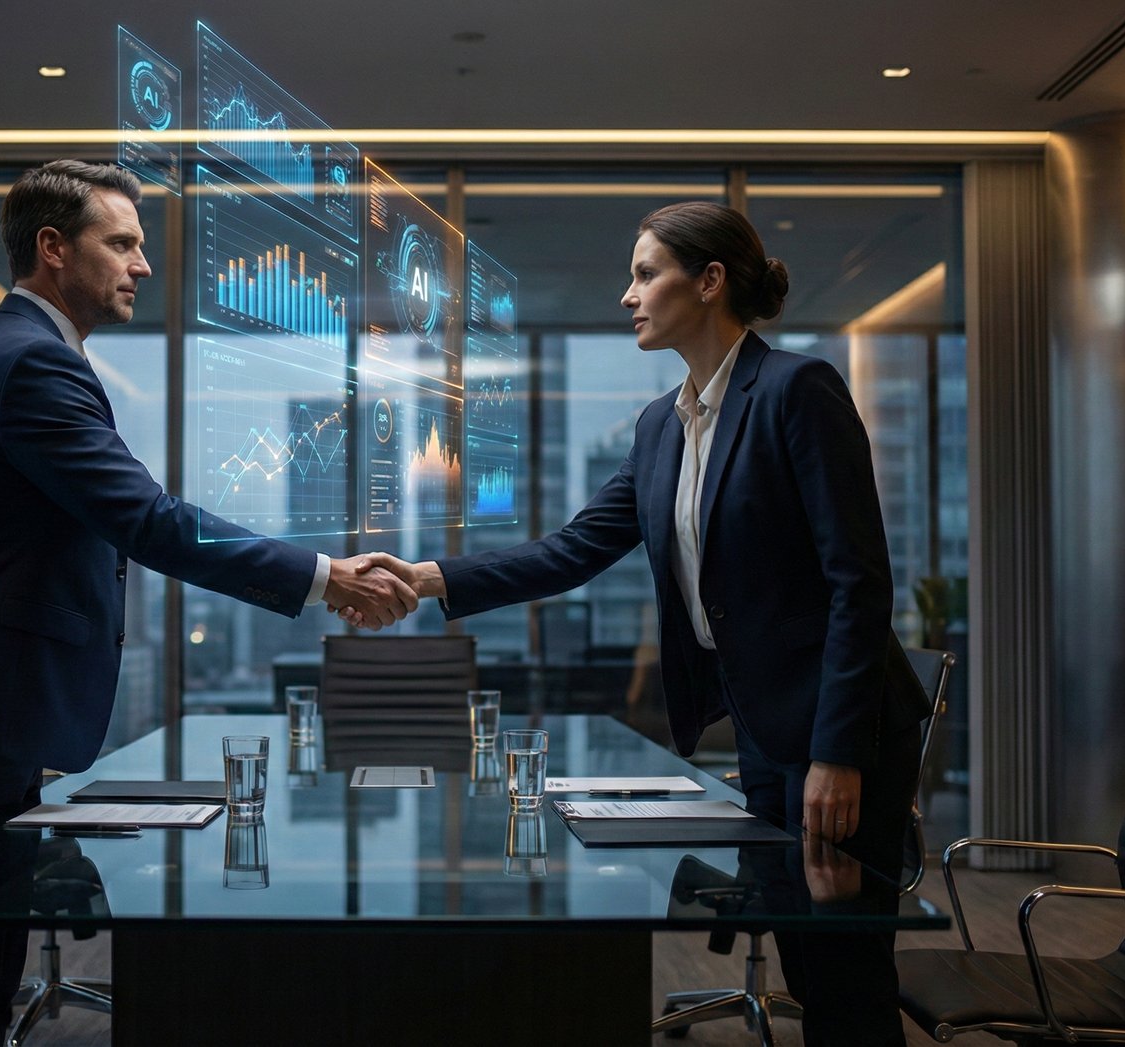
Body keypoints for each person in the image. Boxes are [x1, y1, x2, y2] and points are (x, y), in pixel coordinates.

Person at [0, 159, 416, 1045]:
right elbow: (146, 520)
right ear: (51, 249)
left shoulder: (27, 355)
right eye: (121, 243)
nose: (142, 265)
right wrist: (325, 578)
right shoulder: (28, 363)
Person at [359, 201, 929, 1046]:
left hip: (841, 734)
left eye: (644, 273)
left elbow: (860, 583)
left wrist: (837, 754)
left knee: (845, 975)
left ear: (709, 282)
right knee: (809, 961)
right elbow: (576, 548)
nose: (628, 295)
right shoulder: (663, 425)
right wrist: (436, 576)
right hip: (765, 729)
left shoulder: (796, 390)